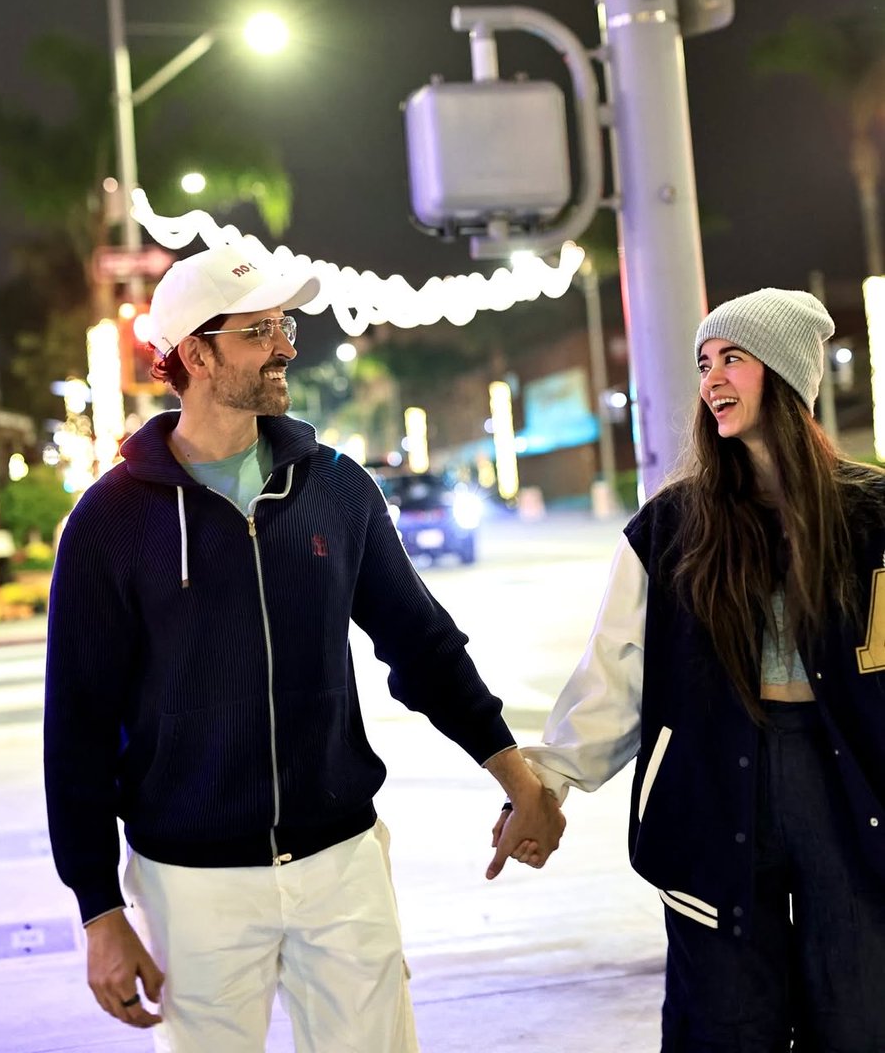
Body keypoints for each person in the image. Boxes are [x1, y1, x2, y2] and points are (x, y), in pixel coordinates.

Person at [44, 241, 564, 1053]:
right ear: (195, 353)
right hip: (191, 885)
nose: (285, 346)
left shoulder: (335, 486)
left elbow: (421, 646)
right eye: (258, 332)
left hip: (341, 861)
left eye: (283, 324)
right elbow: (74, 728)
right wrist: (98, 913)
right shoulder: (111, 522)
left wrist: (513, 771)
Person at [499, 288, 885, 1050]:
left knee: (863, 1008)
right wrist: (546, 784)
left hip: (850, 783)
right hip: (714, 782)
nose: (711, 378)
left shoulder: (872, 514)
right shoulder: (673, 525)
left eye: (733, 359)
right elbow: (614, 674)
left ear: (784, 373)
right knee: (726, 1020)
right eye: (705, 362)